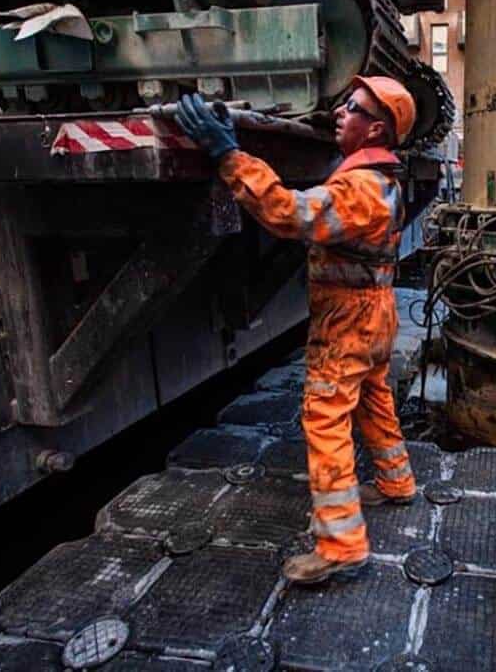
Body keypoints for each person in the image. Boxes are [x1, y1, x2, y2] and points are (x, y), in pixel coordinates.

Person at [174, 77, 419, 585]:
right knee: (374, 396)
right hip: (376, 311)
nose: (339, 112)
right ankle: (397, 482)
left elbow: (290, 214)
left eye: (352, 108)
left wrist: (229, 154)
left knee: (325, 416)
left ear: (375, 128)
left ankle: (343, 545)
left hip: (349, 318)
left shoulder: (361, 187)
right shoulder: (385, 179)